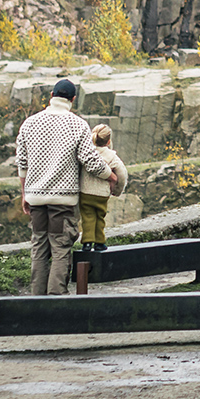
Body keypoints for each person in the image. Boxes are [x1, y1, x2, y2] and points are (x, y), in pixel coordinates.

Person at [17, 78, 121, 294]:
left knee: (39, 247)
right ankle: (57, 299)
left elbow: (22, 163)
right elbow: (90, 160)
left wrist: (24, 193)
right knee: (60, 248)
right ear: (73, 99)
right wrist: (110, 176)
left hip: (35, 197)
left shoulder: (29, 123)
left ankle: (36, 300)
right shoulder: (78, 125)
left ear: (51, 96)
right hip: (62, 202)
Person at [78, 123, 127, 252]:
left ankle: (87, 243)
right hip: (102, 194)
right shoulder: (112, 156)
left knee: (87, 217)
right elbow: (122, 174)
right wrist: (116, 191)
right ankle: (99, 242)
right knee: (100, 217)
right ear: (109, 141)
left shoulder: (86, 153)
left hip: (85, 192)